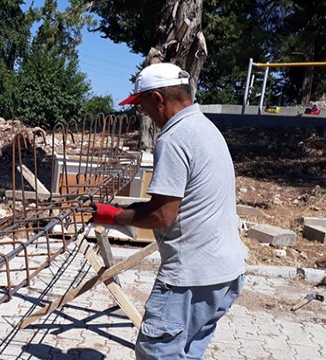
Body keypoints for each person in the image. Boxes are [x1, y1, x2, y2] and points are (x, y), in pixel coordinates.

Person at [92, 63, 248, 359]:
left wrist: (112, 215)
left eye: (141, 104)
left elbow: (163, 216)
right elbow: (176, 201)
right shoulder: (205, 127)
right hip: (226, 272)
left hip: (191, 276)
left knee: (156, 351)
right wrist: (124, 209)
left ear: (158, 99)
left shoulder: (175, 138)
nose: (143, 113)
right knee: (187, 352)